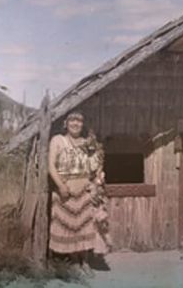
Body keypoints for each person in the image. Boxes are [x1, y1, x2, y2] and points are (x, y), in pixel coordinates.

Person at [48, 111, 103, 277]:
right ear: (66, 123)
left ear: (82, 124)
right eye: (72, 120)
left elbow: (98, 163)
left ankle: (84, 262)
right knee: (70, 228)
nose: (76, 124)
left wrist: (94, 183)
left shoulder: (87, 143)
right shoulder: (58, 140)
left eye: (79, 121)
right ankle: (74, 263)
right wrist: (61, 186)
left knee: (84, 228)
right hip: (65, 192)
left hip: (84, 193)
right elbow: (51, 165)